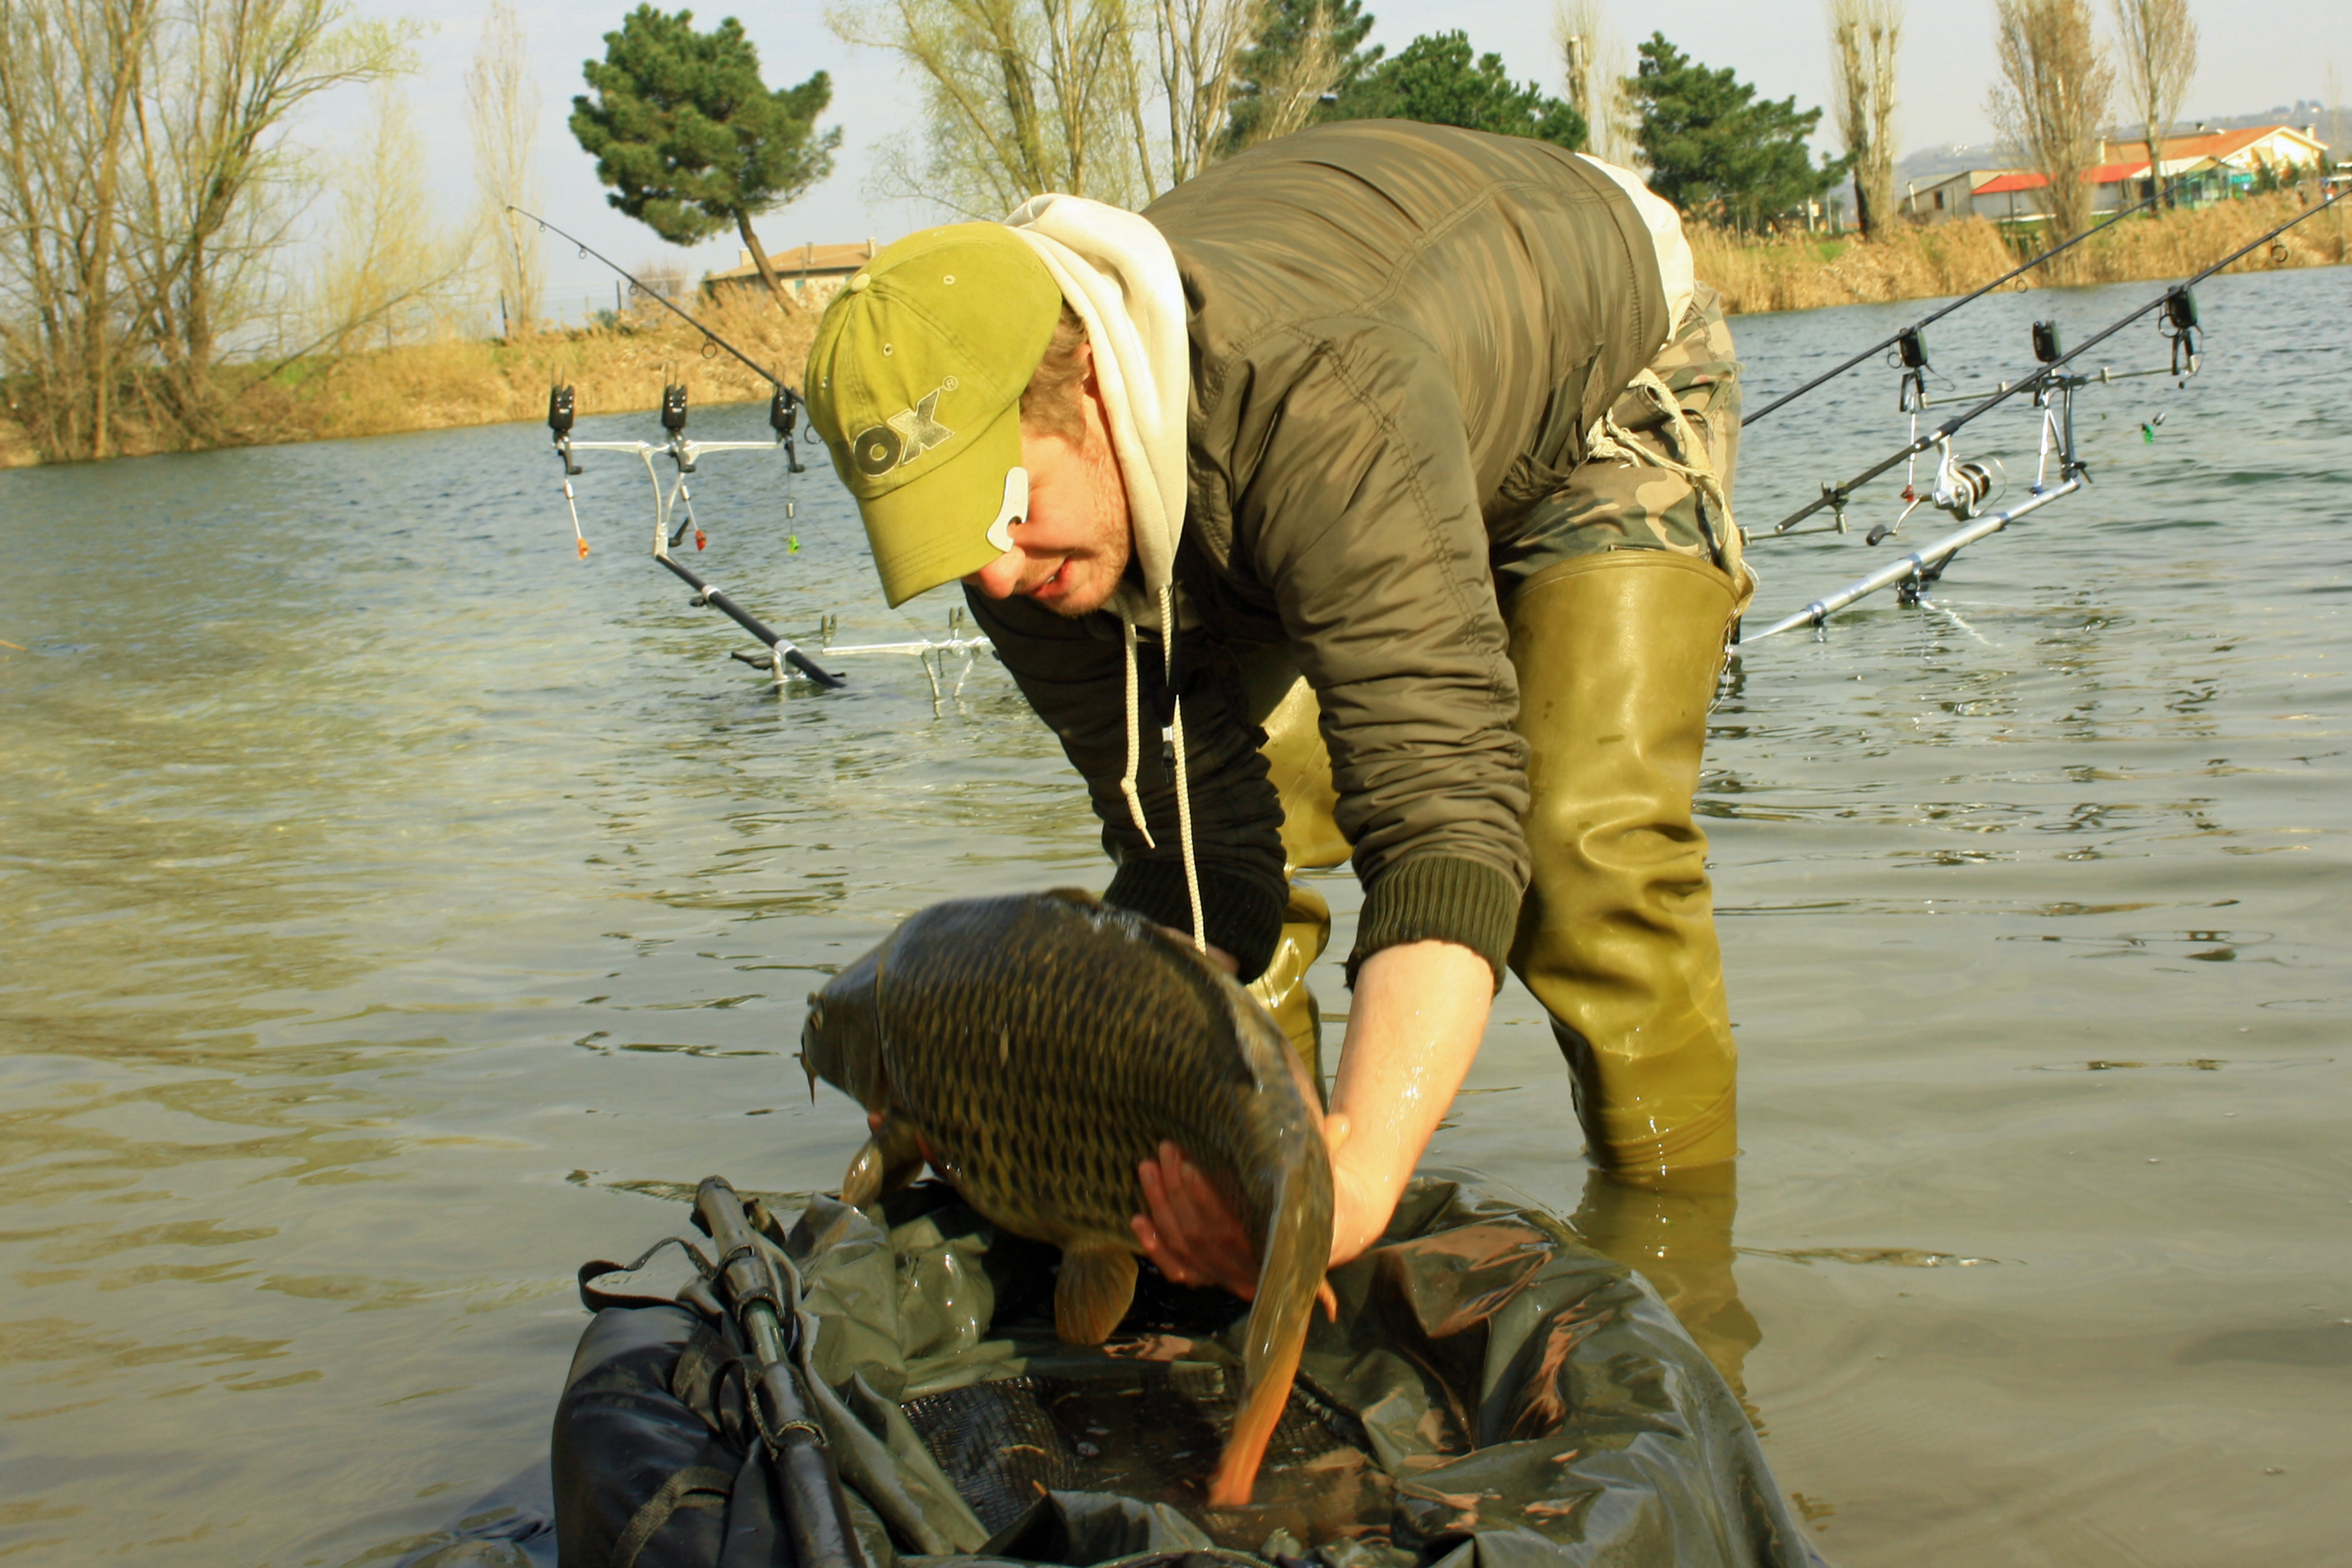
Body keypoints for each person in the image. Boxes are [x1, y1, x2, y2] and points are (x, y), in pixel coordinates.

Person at [803, 120, 1754, 1301]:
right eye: (952, 541)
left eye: (1005, 511)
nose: (994, 576)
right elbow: (1197, 855)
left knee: (1582, 849)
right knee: (1264, 838)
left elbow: (1444, 821)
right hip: (1285, 463)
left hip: (1594, 376)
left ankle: (1684, 1279)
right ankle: (1252, 1270)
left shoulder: (1311, 401)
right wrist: (1057, 1096)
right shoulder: (1020, 552)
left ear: (1087, 384)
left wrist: (1363, 1178)